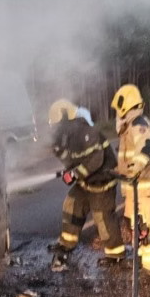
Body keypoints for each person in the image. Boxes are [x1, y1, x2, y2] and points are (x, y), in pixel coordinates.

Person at [47, 99, 124, 272]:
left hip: (101, 182)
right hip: (86, 182)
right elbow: (72, 160)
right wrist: (60, 152)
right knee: (71, 205)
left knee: (103, 218)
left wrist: (74, 174)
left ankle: (115, 255)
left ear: (66, 119)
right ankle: (66, 244)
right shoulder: (69, 136)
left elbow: (95, 160)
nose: (55, 129)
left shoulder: (86, 132)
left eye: (57, 125)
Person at [110, 84, 150, 275]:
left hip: (142, 186)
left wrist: (135, 168)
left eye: (118, 109)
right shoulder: (129, 128)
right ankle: (144, 260)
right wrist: (119, 170)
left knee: (146, 225)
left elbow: (146, 147)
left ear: (125, 106)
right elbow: (128, 158)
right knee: (135, 224)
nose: (117, 113)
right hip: (134, 187)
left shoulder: (138, 124)